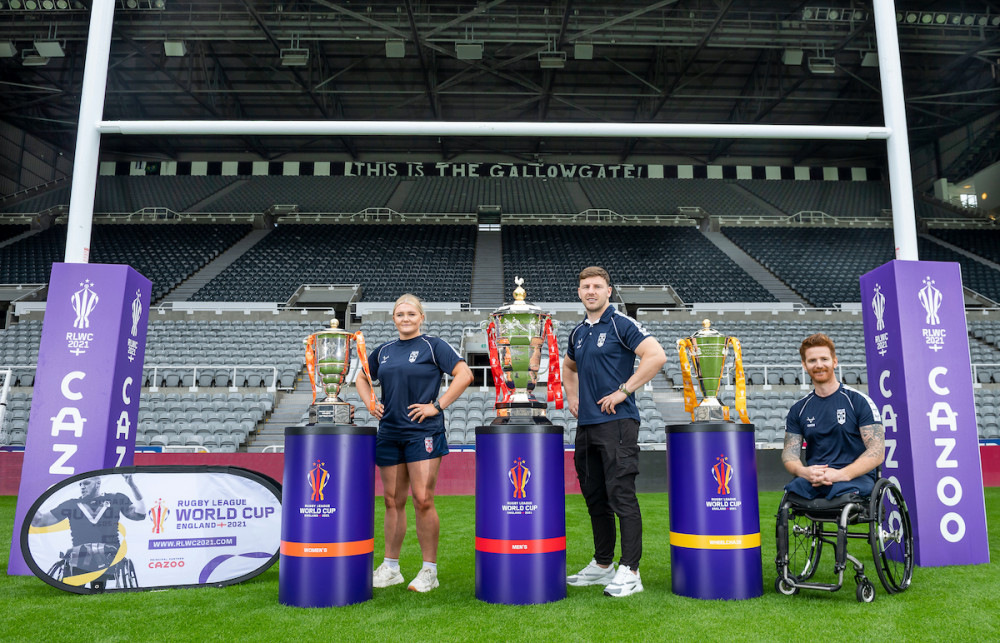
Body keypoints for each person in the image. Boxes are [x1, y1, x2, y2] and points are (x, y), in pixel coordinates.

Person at [356, 293, 474, 593]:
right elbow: (361, 378)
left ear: (421, 317)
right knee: (392, 501)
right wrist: (371, 402)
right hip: (389, 432)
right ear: (393, 319)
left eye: (411, 314)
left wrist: (437, 405)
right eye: (400, 314)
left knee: (423, 499)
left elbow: (465, 374)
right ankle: (391, 568)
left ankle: (428, 571)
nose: (405, 318)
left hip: (423, 433)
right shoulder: (383, 351)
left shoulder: (433, 346)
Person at [562, 266, 667, 598]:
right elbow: (569, 366)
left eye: (597, 286)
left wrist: (624, 389)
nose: (590, 291)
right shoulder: (578, 332)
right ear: (579, 292)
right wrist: (573, 395)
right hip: (587, 426)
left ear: (609, 291)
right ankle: (603, 563)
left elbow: (656, 355)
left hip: (618, 423)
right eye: (585, 287)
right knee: (595, 497)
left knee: (621, 494)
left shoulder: (622, 324)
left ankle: (631, 570)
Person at [782, 333, 885, 500]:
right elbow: (789, 454)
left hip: (854, 478)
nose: (819, 365)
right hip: (815, 479)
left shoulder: (858, 401)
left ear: (834, 362)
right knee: (790, 494)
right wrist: (804, 472)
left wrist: (841, 474)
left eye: (824, 359)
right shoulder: (798, 409)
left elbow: (877, 451)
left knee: (841, 496)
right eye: (812, 361)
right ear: (804, 365)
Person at [31, 474, 146, 582]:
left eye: (86, 483)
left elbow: (140, 515)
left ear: (97, 483)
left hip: (109, 553)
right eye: (80, 484)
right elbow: (39, 521)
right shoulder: (71, 504)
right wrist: (44, 497)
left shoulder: (115, 498)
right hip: (80, 556)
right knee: (78, 559)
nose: (82, 487)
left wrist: (132, 485)